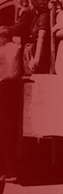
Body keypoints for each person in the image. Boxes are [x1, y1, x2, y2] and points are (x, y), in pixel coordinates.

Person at [0, 27, 22, 181]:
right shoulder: (16, 48)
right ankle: (11, 170)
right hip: (14, 88)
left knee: (5, 130)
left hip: (4, 88)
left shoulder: (2, 51)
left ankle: (8, 170)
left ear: (2, 38)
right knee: (10, 129)